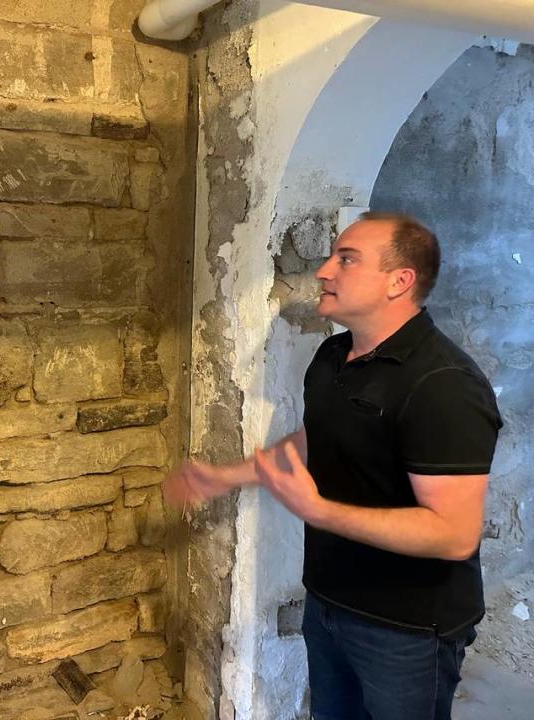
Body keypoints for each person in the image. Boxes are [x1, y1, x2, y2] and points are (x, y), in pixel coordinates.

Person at [164, 212, 502, 720]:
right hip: (328, 604)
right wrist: (227, 475)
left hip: (407, 628)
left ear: (399, 281)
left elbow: (453, 534)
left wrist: (319, 511)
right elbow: (318, 439)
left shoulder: (444, 385)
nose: (324, 270)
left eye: (346, 259)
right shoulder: (333, 356)